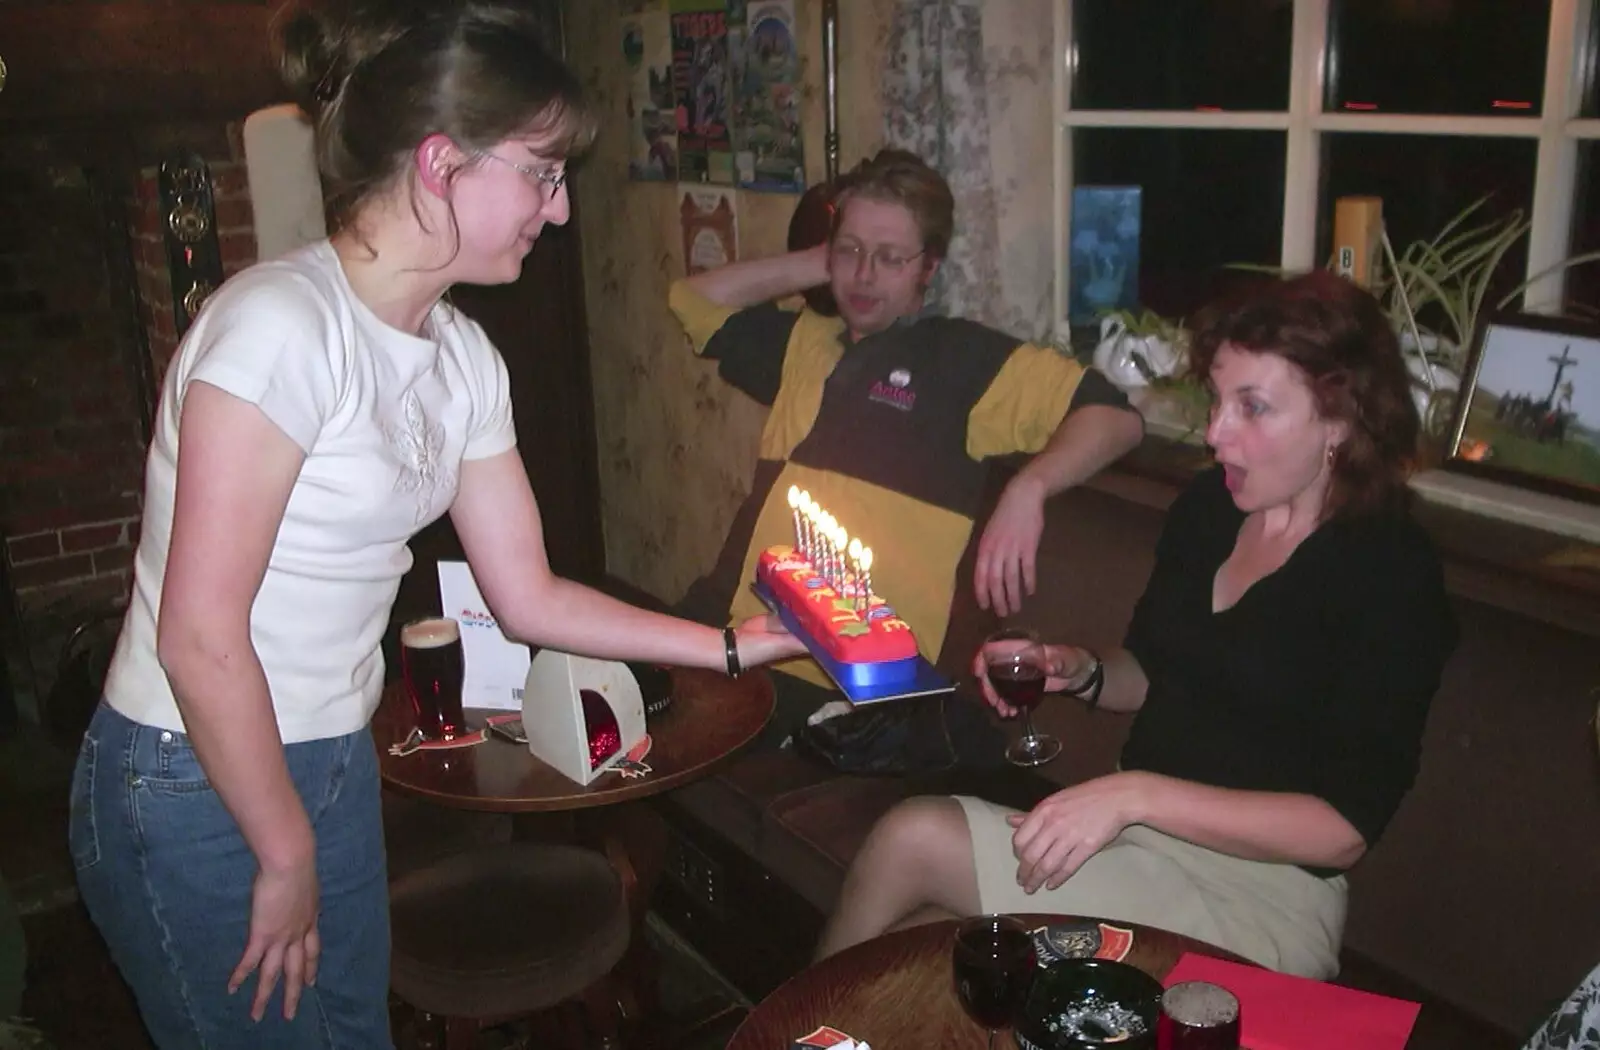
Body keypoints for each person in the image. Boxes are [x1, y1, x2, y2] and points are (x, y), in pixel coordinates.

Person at [67, 3, 802, 1047]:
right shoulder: (280, 330)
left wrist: (729, 646)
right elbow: (198, 637)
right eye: (542, 173)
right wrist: (283, 852)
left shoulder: (461, 359)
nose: (556, 211)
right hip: (193, 771)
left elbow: (529, 594)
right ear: (442, 163)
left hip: (324, 756)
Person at [815, 270, 1459, 977]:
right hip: (1131, 846)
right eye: (1217, 401)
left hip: (1260, 899)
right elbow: (1150, 672)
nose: (1217, 434)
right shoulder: (1211, 510)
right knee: (927, 950)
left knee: (912, 838)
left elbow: (1342, 832)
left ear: (1341, 417)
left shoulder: (1392, 573)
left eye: (1254, 408)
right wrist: (1080, 669)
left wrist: (1135, 795)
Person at [668, 149, 1144, 735]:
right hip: (727, 634)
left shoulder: (967, 360)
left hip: (839, 683)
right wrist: (825, 260)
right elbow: (690, 300)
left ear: (930, 267)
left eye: (891, 258)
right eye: (852, 252)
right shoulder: (803, 341)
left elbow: (1117, 418)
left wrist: (1031, 486)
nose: (865, 276)